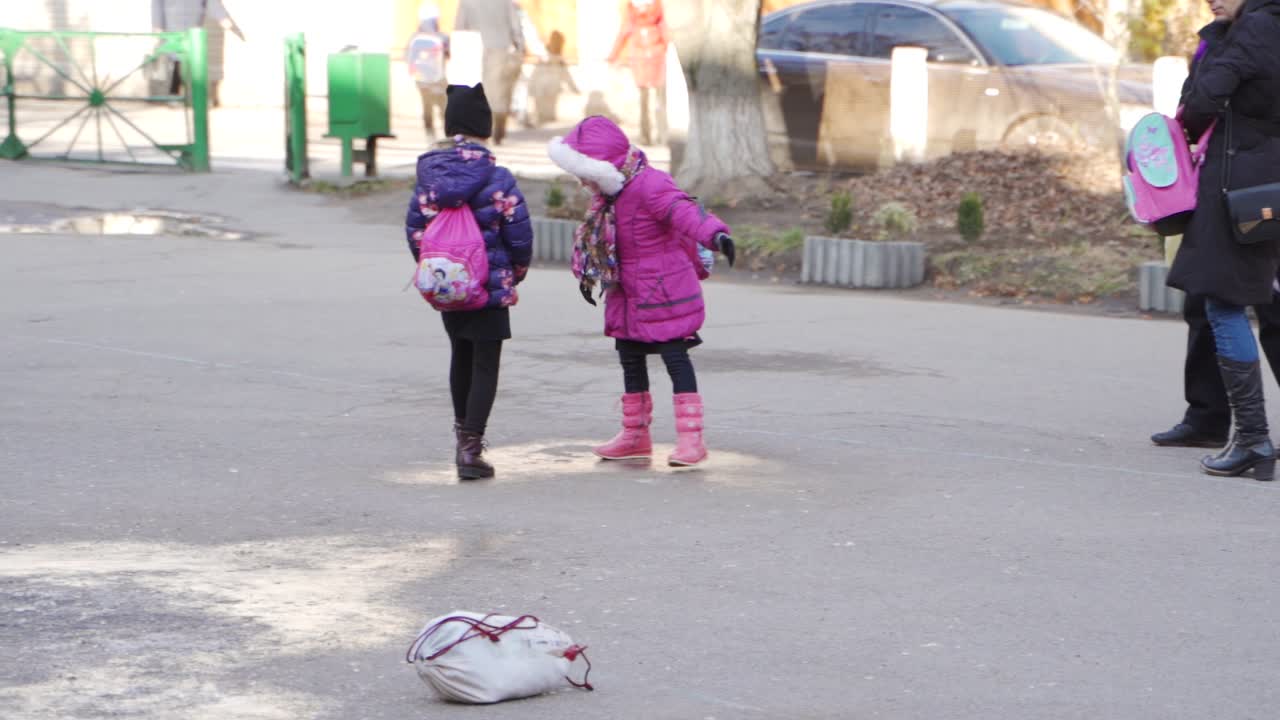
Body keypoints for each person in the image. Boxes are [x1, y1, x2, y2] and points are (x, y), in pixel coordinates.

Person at [547, 116, 736, 467]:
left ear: (604, 168)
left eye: (585, 173)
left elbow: (684, 211)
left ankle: (691, 439)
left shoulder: (651, 185)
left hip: (664, 289)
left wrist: (716, 235)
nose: (581, 181)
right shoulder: (607, 194)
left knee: (676, 359)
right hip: (627, 291)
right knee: (630, 358)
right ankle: (635, 434)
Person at [1164, 0, 1280, 480]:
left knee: (1222, 301)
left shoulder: (1252, 29)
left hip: (1241, 188)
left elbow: (1201, 101)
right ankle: (1220, 424)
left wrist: (1215, 45)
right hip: (1268, 183)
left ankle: (1252, 438)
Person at [405, 84, 533, 479]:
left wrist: (440, 274)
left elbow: (415, 231)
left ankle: (462, 441)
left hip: (449, 287)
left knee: (460, 356)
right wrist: (513, 274)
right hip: (488, 285)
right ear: (484, 128)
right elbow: (519, 235)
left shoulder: (431, 176)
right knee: (485, 365)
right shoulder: (497, 178)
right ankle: (471, 450)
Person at [454, 0, 526, 145]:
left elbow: (459, 27)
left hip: (473, 48)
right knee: (498, 91)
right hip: (499, 47)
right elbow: (515, 26)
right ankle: (498, 130)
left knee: (476, 90)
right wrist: (520, 47)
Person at [151, 0, 244, 107]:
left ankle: (198, 97)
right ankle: (175, 95)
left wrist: (223, 19)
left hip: (194, 27)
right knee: (177, 61)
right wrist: (157, 26)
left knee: (196, 62)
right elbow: (157, 4)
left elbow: (213, 3)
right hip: (173, 25)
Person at [607, 0, 669, 146]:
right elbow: (665, 32)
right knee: (657, 100)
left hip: (643, 58)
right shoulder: (656, 10)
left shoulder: (633, 13)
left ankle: (648, 136)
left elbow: (623, 33)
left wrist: (613, 57)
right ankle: (661, 136)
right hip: (655, 57)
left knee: (646, 100)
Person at [406, 3, 449, 139]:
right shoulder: (443, 37)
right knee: (443, 104)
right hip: (438, 78)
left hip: (421, 79)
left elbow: (407, 56)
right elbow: (448, 54)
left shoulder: (414, 37)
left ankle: (429, 133)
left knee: (427, 105)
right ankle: (446, 132)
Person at [528, 31, 579, 127]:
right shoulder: (555, 59)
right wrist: (574, 89)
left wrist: (531, 86)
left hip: (544, 89)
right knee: (546, 116)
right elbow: (567, 76)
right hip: (548, 89)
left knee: (544, 116)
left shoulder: (548, 57)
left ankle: (541, 121)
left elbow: (535, 73)